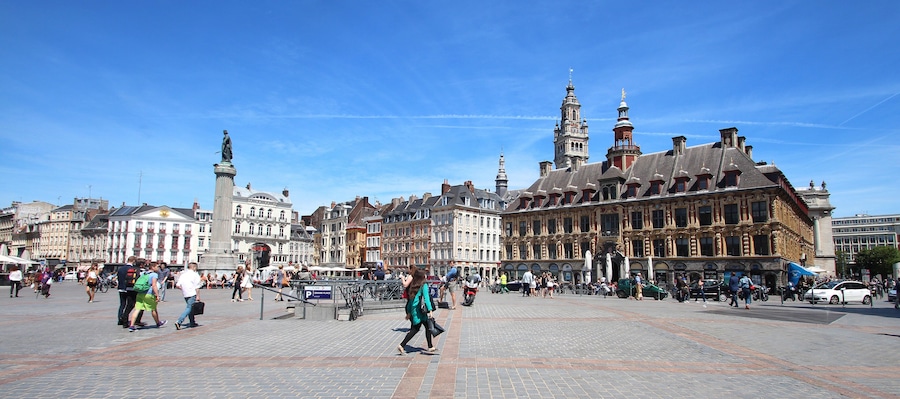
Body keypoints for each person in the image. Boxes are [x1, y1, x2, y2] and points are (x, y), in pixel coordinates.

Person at [397, 268, 436, 355]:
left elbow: (410, 300)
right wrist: (430, 310)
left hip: (415, 309)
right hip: (421, 311)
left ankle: (430, 346)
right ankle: (402, 345)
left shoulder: (413, 285)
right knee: (415, 329)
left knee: (427, 327)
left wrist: (409, 312)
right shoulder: (424, 285)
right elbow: (426, 298)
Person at [128, 262, 167, 331]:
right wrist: (157, 295)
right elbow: (154, 285)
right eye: (157, 267)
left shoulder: (144, 273)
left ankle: (132, 326)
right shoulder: (154, 275)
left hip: (140, 293)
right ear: (153, 267)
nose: (158, 268)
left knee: (137, 309)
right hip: (149, 294)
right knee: (153, 309)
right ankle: (158, 323)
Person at [174, 262, 202, 330]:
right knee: (189, 308)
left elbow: (177, 285)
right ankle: (179, 321)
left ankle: (192, 322)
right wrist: (198, 296)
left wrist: (183, 289)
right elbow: (197, 287)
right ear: (194, 267)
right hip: (192, 293)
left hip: (185, 294)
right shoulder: (195, 275)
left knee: (191, 308)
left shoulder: (183, 274)